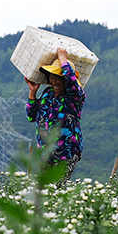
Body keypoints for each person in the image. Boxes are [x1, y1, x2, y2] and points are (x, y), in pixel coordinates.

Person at [25, 47, 85, 181]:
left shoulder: (75, 97)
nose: (55, 82)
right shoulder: (48, 93)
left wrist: (63, 59)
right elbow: (31, 116)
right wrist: (33, 92)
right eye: (52, 78)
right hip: (45, 154)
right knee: (48, 189)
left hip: (66, 151)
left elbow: (71, 81)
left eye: (59, 78)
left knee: (58, 187)